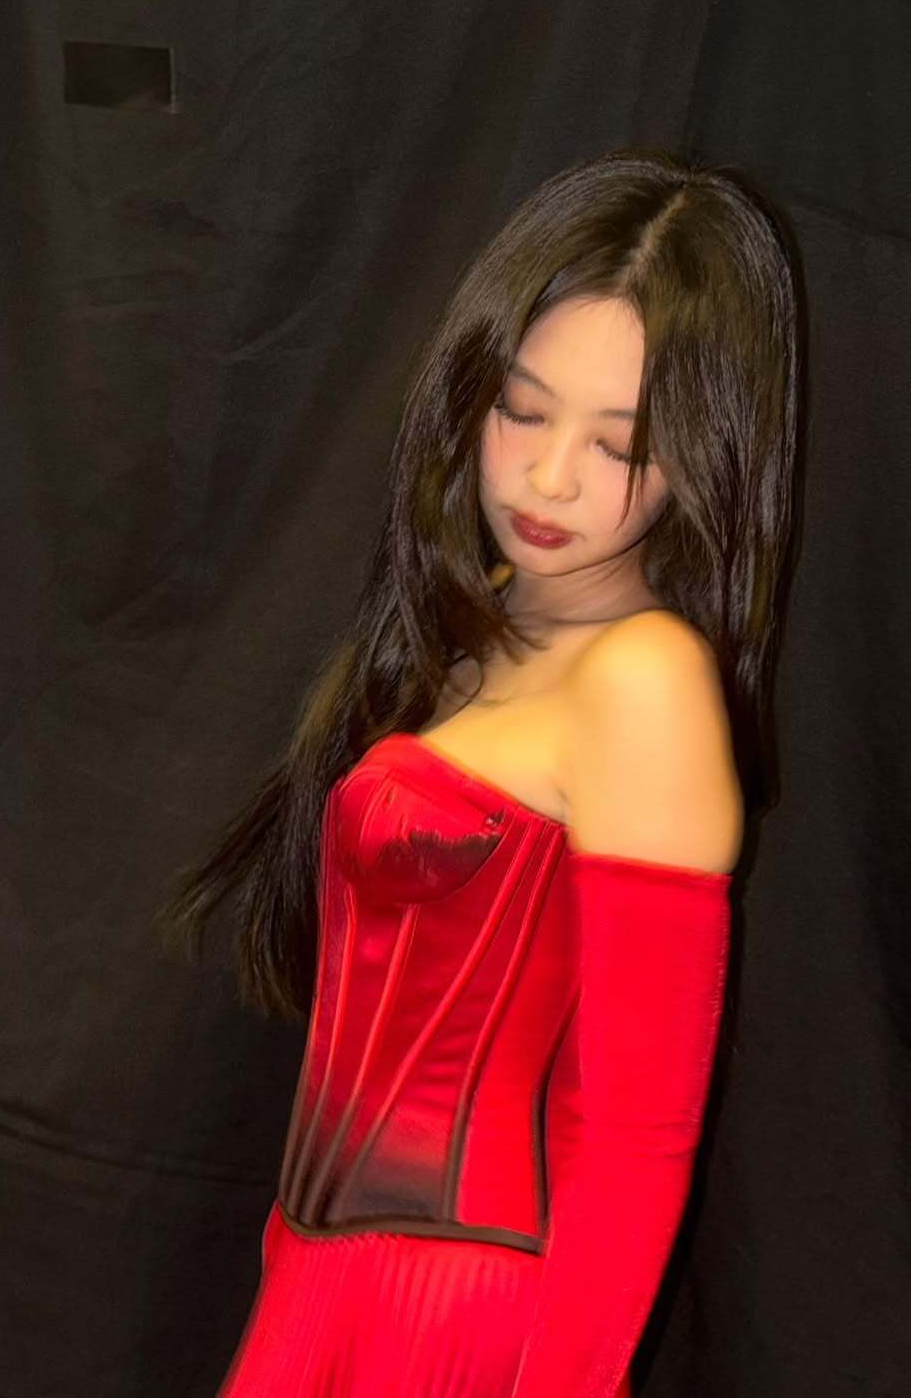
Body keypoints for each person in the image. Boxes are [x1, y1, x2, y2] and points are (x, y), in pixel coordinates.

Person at [156, 144, 804, 1397]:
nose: (551, 477)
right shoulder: (479, 627)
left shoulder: (645, 680)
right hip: (322, 1280)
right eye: (523, 408)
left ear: (703, 455)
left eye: (621, 441)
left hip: (461, 1318)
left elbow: (636, 1135)